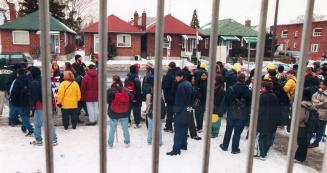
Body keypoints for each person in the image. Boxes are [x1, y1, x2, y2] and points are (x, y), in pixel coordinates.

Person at [219, 73, 251, 154]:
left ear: (237, 79)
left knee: (228, 130)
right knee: (237, 132)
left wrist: (221, 112)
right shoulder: (248, 90)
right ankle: (235, 149)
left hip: (231, 113)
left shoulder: (231, 89)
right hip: (242, 114)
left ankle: (225, 146)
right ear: (244, 79)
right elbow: (250, 104)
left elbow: (225, 101)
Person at [29, 67, 57, 146]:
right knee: (49, 122)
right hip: (48, 104)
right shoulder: (46, 80)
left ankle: (39, 140)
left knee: (37, 124)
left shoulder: (34, 82)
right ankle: (53, 139)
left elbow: (34, 96)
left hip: (39, 105)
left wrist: (32, 105)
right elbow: (53, 92)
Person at [166, 71, 193, 156]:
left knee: (178, 129)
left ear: (181, 76)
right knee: (185, 127)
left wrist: (176, 112)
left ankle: (176, 149)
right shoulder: (188, 83)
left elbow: (179, 101)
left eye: (177, 76)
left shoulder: (181, 86)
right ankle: (183, 144)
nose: (176, 78)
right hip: (188, 108)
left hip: (181, 110)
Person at [255, 81, 280, 160]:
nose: (260, 88)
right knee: (267, 137)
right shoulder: (274, 96)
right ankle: (264, 152)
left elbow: (260, 109)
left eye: (261, 87)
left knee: (260, 137)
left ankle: (261, 154)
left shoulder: (262, 96)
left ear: (264, 88)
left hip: (263, 120)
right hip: (272, 120)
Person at [107, 75, 132, 148]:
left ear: (113, 80)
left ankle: (110, 144)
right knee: (125, 129)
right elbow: (130, 99)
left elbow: (107, 101)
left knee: (112, 129)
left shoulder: (110, 90)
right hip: (124, 112)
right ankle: (127, 142)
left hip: (113, 112)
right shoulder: (126, 90)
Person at [10, 68, 33, 136]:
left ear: (18, 74)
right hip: (28, 100)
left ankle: (31, 129)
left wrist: (12, 99)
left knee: (23, 116)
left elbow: (14, 92)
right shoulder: (29, 79)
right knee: (26, 115)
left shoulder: (17, 80)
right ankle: (24, 126)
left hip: (20, 101)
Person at [294, 89, 312, 162]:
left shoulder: (302, 104)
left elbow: (301, 117)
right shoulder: (310, 104)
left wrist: (295, 123)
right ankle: (302, 158)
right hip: (308, 126)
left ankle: (298, 158)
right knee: (304, 143)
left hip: (301, 126)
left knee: (301, 143)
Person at [308, 79, 327, 148]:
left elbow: (325, 103)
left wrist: (317, 103)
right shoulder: (319, 90)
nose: (320, 85)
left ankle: (316, 142)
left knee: (320, 129)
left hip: (323, 114)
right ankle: (308, 140)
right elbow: (313, 97)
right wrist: (318, 102)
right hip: (316, 111)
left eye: (322, 84)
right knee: (312, 126)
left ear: (325, 86)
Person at [162, 62, 180, 132]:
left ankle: (168, 127)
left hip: (170, 97)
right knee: (177, 112)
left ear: (169, 67)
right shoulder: (179, 73)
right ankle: (176, 126)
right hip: (178, 96)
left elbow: (166, 86)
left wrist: (166, 95)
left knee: (169, 112)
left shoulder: (169, 74)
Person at [212, 68, 225, 138]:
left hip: (216, 106)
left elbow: (218, 99)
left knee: (215, 120)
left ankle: (215, 133)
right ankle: (213, 131)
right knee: (214, 119)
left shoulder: (220, 88)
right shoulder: (217, 87)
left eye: (215, 80)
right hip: (215, 106)